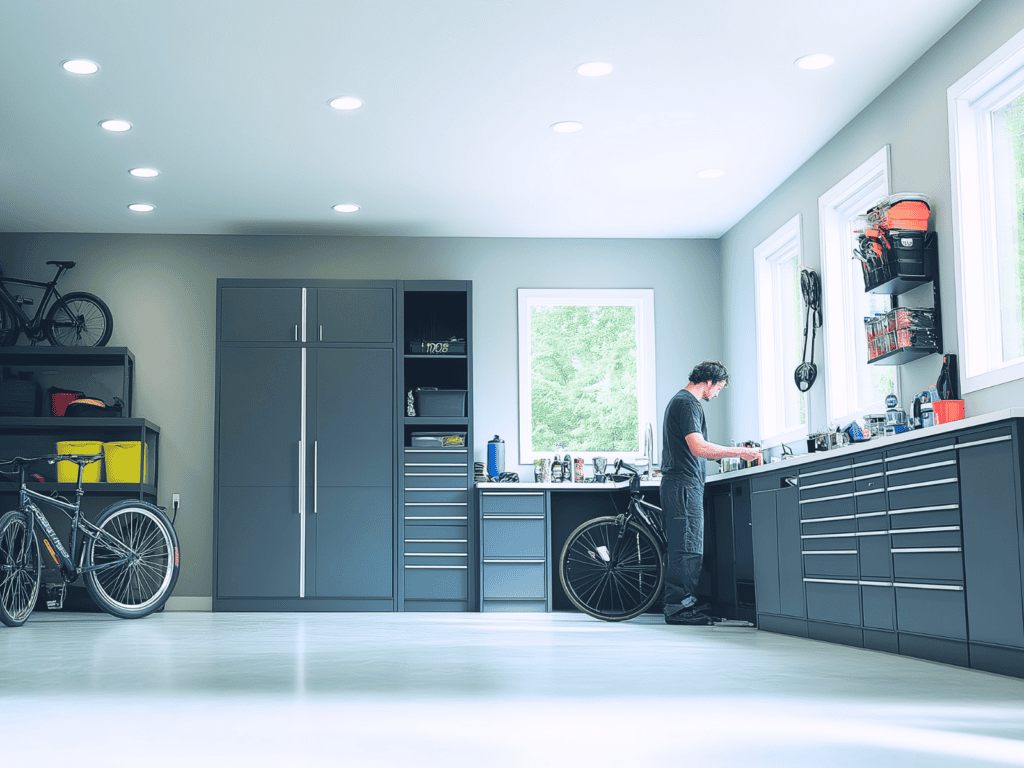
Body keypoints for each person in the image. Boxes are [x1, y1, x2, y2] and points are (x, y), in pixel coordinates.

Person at [660, 360, 762, 625]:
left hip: (682, 484)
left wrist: (720, 456)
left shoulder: (681, 401)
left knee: (686, 545)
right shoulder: (687, 403)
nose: (717, 394)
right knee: (687, 547)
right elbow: (698, 447)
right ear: (709, 382)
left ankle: (682, 604)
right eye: (719, 388)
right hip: (683, 486)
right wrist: (741, 452)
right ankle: (678, 608)